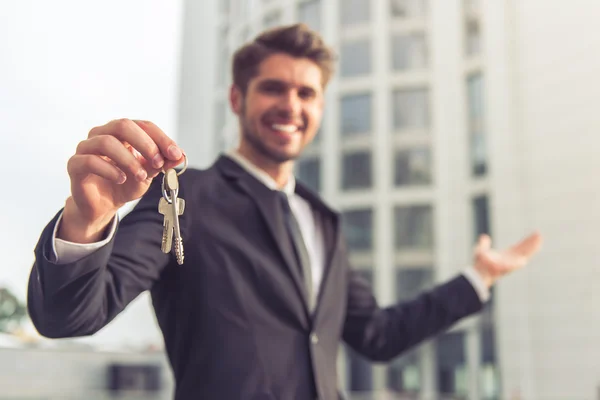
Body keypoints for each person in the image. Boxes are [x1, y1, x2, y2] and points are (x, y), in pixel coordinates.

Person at [27, 24, 542, 400]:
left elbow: (378, 336)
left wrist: (477, 278)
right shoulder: (186, 198)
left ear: (319, 107)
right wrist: (87, 221)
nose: (291, 105)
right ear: (236, 97)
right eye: (273, 87)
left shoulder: (324, 221)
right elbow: (69, 317)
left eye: (306, 93)